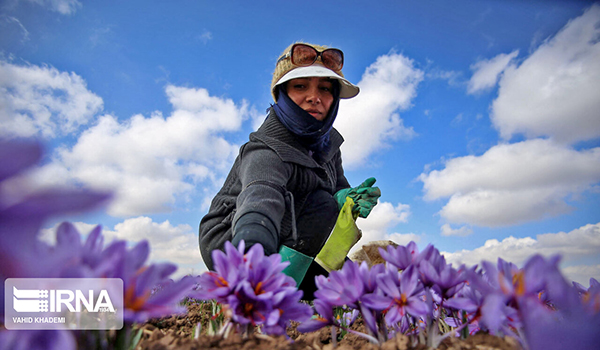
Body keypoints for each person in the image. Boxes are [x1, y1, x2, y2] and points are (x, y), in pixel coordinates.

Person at [198, 42, 380, 298]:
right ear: (281, 93)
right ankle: (268, 297)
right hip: (235, 241)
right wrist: (251, 257)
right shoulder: (266, 149)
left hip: (297, 233)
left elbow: (337, 187)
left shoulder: (328, 147)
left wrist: (347, 197)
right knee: (322, 206)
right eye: (300, 86)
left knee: (354, 286)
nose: (314, 97)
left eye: (325, 88)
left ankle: (289, 286)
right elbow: (260, 201)